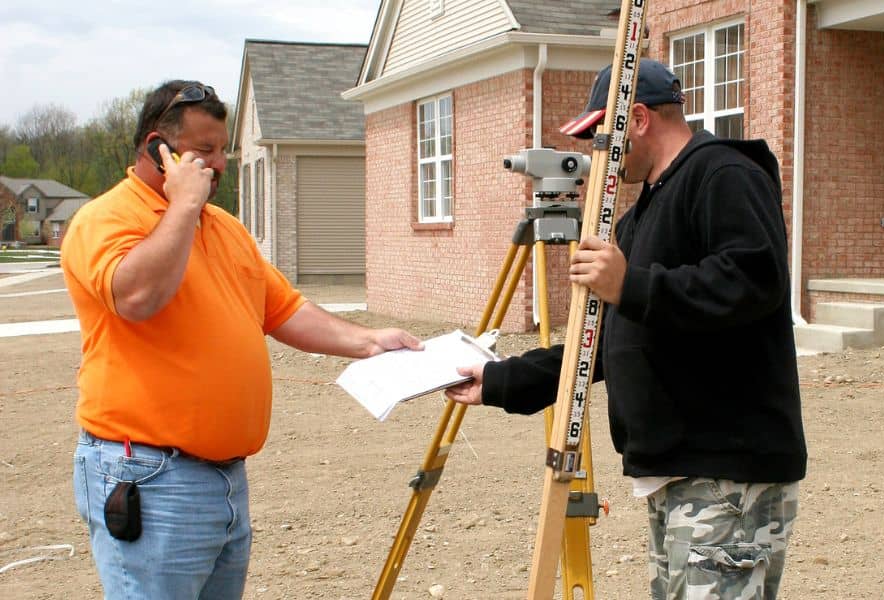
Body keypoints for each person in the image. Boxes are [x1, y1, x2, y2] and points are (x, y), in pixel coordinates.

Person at [445, 59, 807, 600]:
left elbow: (755, 279)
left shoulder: (723, 174)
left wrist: (631, 284)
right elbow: (610, 342)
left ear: (637, 119)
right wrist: (499, 380)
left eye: (599, 135)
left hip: (727, 473)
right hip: (676, 474)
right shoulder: (640, 219)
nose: (596, 154)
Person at [60, 80, 422, 600]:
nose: (220, 163)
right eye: (203, 151)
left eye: (223, 148)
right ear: (157, 149)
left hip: (224, 478)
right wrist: (181, 207)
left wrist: (368, 341)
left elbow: (284, 309)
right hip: (148, 474)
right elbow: (137, 296)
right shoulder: (106, 219)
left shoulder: (224, 227)